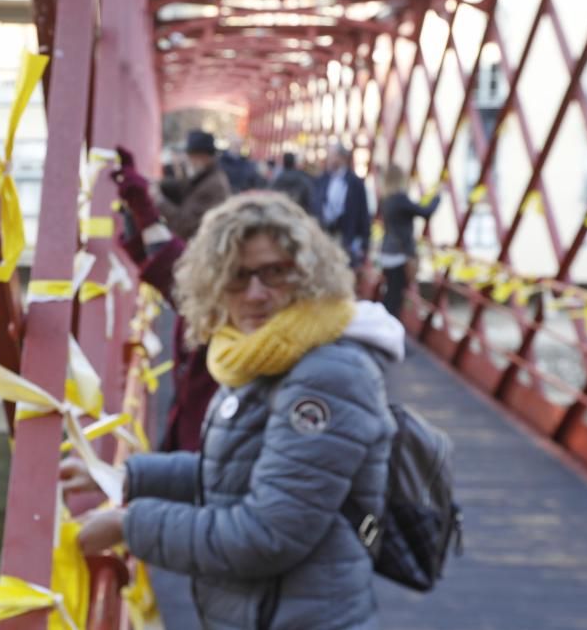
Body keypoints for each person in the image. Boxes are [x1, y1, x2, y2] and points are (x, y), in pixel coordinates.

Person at [62, 192, 404, 630]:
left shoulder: (326, 376)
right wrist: (124, 478)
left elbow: (267, 534)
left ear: (309, 275)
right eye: (237, 278)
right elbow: (235, 473)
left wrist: (130, 526)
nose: (256, 294)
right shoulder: (261, 356)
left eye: (275, 273)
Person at [112, 146, 223, 453]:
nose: (254, 292)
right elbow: (176, 273)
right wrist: (142, 208)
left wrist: (151, 203)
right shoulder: (217, 302)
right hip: (189, 454)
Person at [379, 164, 441, 317]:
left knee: (391, 294)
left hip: (387, 253)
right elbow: (425, 212)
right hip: (400, 255)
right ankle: (390, 330)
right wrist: (437, 197)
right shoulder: (400, 199)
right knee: (396, 298)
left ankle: (385, 325)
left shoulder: (386, 200)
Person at [155, 130, 232, 241]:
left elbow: (184, 225)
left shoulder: (214, 185)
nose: (188, 160)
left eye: (191, 156)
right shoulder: (206, 177)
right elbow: (182, 186)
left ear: (203, 156)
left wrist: (159, 201)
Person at [313, 144, 371, 268]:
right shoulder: (322, 179)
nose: (329, 160)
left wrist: (363, 243)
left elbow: (363, 213)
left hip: (346, 238)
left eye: (332, 156)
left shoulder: (355, 183)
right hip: (324, 236)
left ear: (342, 158)